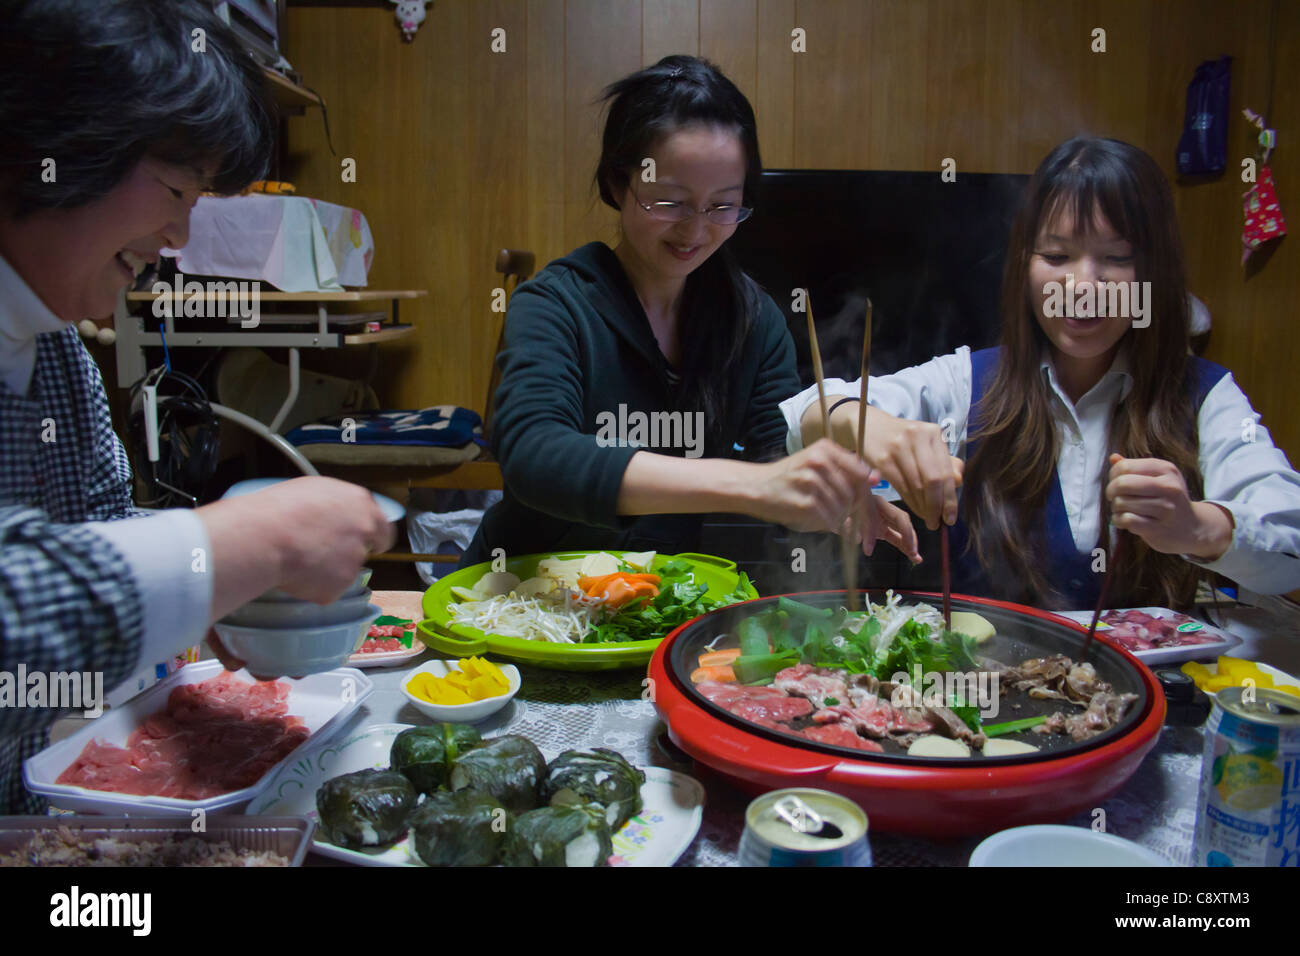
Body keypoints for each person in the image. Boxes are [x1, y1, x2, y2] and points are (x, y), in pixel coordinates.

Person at [0, 0, 394, 813]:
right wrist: (232, 545)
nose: (179, 237)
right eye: (177, 188)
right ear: (52, 148)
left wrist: (220, 595)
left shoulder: (57, 351)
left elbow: (96, 540)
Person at [783, 136, 1300, 610]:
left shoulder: (1205, 395)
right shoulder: (973, 381)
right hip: (984, 692)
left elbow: (1289, 544)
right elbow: (807, 413)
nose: (1082, 284)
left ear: (1153, 274)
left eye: (1116, 258)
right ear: (1024, 267)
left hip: (1148, 700)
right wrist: (875, 429)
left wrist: (1199, 526)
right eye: (1057, 255)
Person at [461, 55, 915, 568]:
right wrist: (752, 484)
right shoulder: (557, 303)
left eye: (723, 206)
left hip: (657, 601)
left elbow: (778, 447)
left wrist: (835, 497)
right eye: (670, 201)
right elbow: (535, 455)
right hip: (527, 599)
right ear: (617, 185)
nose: (696, 231)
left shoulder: (751, 319)